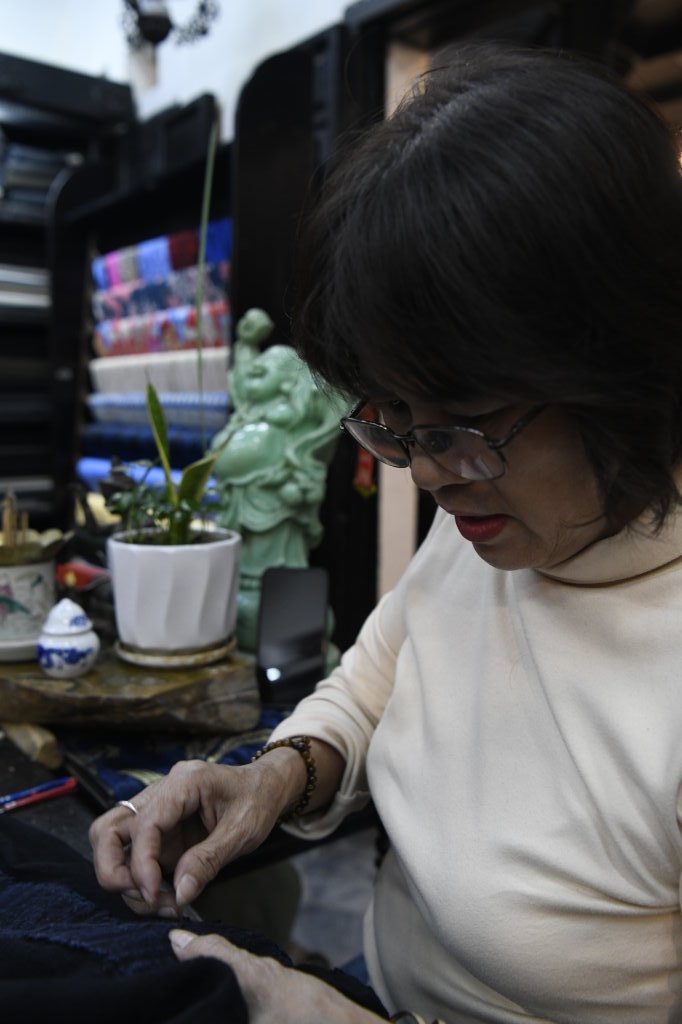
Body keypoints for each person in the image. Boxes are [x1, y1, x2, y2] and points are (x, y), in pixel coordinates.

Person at [89, 42, 682, 1023]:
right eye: (390, 418)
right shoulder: (496, 520)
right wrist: (274, 776)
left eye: (462, 422)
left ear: (630, 373)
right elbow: (377, 677)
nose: (425, 469)